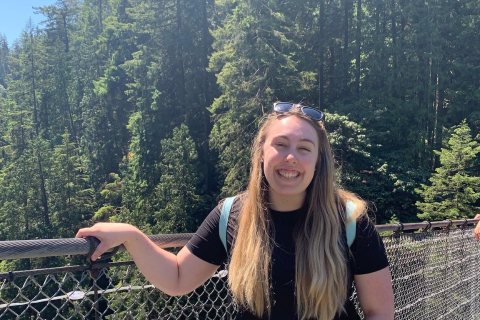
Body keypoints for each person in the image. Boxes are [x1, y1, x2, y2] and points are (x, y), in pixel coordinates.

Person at [76, 102, 394, 320]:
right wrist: (131, 236)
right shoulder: (232, 215)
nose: (291, 157)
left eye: (304, 149)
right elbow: (176, 278)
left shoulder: (351, 221)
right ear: (261, 153)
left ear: (318, 162)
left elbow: (380, 312)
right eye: (280, 144)